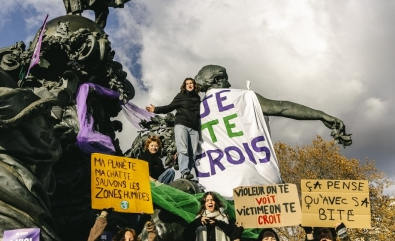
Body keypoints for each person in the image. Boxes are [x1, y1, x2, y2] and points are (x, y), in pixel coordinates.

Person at [194, 64, 351, 146]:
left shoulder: (195, 110)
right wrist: (321, 115)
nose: (229, 83)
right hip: (254, 180)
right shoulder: (243, 97)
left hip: (214, 187)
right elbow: (282, 107)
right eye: (226, 79)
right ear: (217, 80)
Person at [146, 78, 201, 180]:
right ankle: (184, 171)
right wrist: (156, 109)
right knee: (183, 149)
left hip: (194, 128)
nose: (189, 85)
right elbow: (169, 107)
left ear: (194, 85)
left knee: (192, 153)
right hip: (182, 124)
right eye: (187, 84)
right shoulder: (181, 96)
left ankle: (186, 177)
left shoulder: (197, 98)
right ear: (184, 86)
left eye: (191, 83)